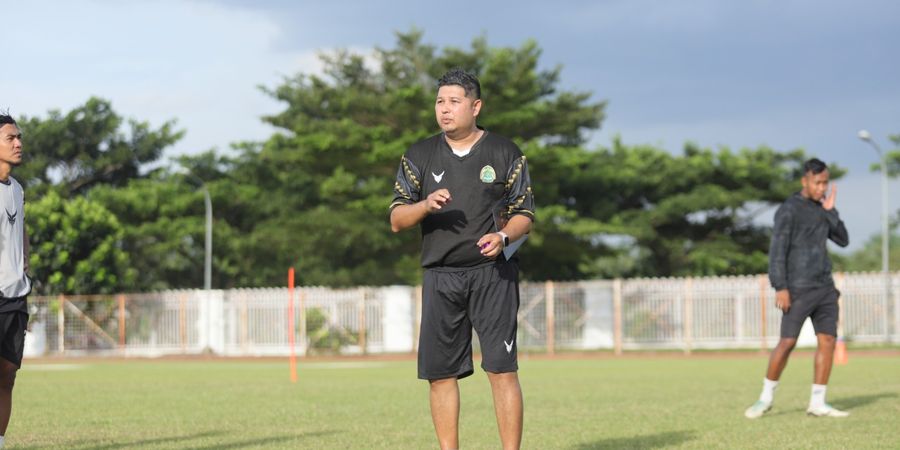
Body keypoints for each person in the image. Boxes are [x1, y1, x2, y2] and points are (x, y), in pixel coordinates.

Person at [389, 68, 534, 449]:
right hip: (441, 276)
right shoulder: (419, 155)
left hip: (493, 275)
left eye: (454, 101)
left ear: (476, 105)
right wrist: (424, 205)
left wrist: (503, 236)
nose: (445, 109)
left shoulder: (506, 152)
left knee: (502, 370)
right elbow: (396, 219)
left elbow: (525, 215)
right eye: (440, 102)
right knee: (440, 375)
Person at [744, 158, 849, 419]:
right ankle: (765, 398)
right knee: (787, 342)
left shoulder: (824, 208)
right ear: (805, 181)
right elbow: (777, 250)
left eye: (825, 182)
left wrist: (831, 212)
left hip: (825, 287)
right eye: (817, 183)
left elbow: (843, 240)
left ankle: (818, 402)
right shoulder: (789, 210)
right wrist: (780, 286)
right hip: (797, 288)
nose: (822, 188)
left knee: (827, 341)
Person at [0, 113, 31, 448]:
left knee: (6, 375)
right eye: (10, 138)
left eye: (19, 137)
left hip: (14, 297)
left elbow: (21, 229)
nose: (18, 143)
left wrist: (26, 264)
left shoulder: (18, 190)